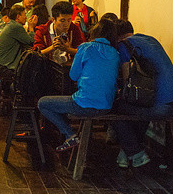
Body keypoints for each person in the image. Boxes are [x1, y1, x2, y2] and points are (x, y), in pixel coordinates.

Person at [111, 20, 173, 168]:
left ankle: (136, 153)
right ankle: (128, 153)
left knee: (112, 108)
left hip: (160, 107)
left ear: (116, 36)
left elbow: (129, 84)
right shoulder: (150, 39)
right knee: (140, 106)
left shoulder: (124, 45)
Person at [38, 19, 120, 152]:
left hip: (84, 104)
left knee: (43, 103)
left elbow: (73, 76)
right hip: (106, 106)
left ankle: (69, 134)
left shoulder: (85, 47)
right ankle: (71, 136)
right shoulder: (115, 54)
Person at [0, 5, 36, 91]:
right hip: (0, 66)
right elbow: (30, 42)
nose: (26, 17)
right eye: (24, 15)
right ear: (18, 17)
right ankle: (14, 98)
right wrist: (31, 27)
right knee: (26, 75)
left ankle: (5, 94)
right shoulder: (16, 27)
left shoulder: (10, 24)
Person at [34, 1, 86, 65]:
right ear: (53, 20)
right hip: (47, 68)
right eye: (62, 20)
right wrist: (52, 47)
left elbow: (82, 51)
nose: (66, 24)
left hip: (67, 68)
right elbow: (36, 54)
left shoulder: (74, 29)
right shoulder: (42, 31)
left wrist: (67, 49)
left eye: (69, 20)